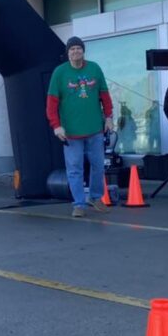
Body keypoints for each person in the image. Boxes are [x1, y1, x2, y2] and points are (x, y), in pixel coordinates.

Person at [46, 36, 114, 218]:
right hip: (71, 133)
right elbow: (51, 104)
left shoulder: (94, 68)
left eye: (79, 48)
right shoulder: (60, 73)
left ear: (83, 51)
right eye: (72, 49)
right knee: (75, 169)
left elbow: (105, 96)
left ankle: (95, 197)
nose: (76, 52)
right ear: (67, 53)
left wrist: (109, 117)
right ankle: (78, 204)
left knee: (98, 166)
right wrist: (56, 126)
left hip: (95, 130)